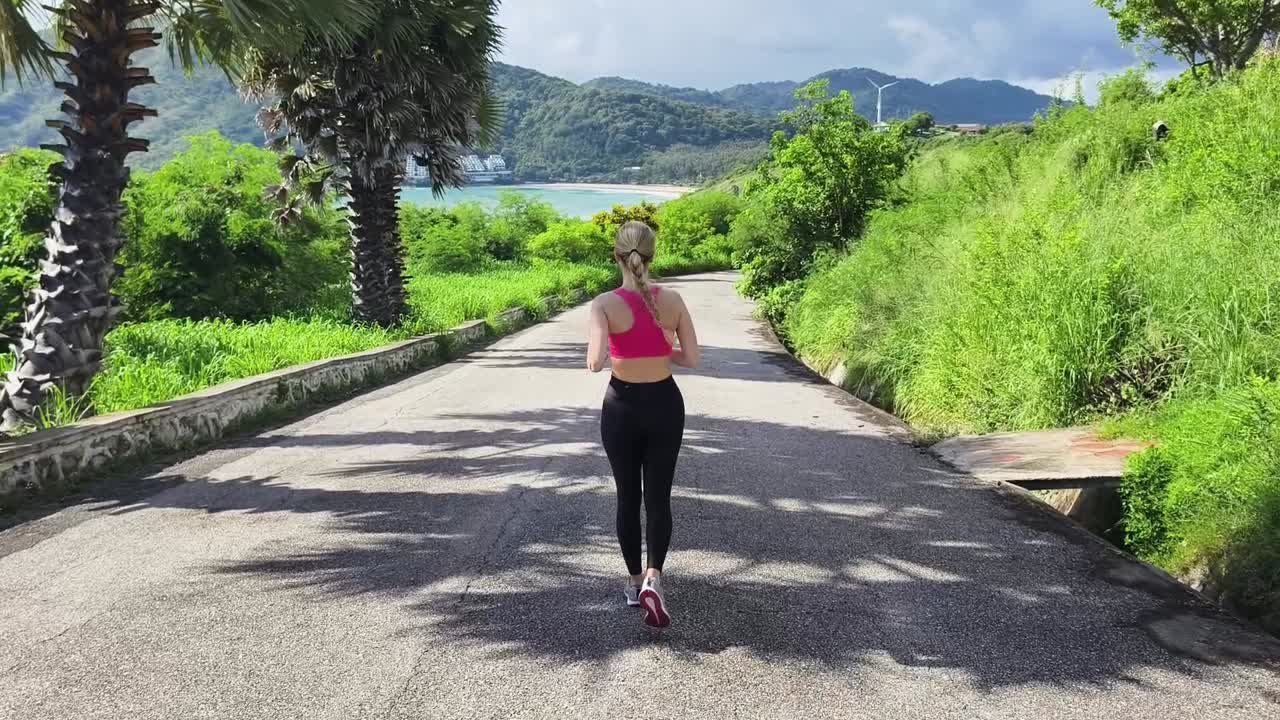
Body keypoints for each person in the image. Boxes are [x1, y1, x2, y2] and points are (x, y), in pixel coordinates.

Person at [586, 220, 700, 629]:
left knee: (627, 498)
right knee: (659, 497)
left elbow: (595, 362)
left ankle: (634, 584)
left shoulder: (603, 304)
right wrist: (658, 347)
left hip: (621, 408)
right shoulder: (672, 300)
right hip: (666, 404)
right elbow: (690, 358)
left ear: (617, 255)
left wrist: (618, 345)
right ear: (652, 256)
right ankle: (656, 577)